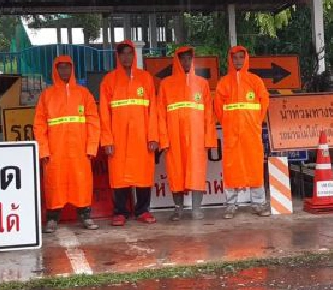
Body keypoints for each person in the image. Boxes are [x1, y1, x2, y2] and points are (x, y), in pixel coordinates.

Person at [34, 55, 101, 233]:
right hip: (55, 150)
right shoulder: (46, 95)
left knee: (82, 182)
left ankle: (86, 215)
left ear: (72, 69)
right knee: (55, 183)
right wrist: (43, 150)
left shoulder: (84, 94)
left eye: (67, 67)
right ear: (55, 70)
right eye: (60, 67)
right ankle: (52, 218)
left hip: (80, 149)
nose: (64, 71)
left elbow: (94, 122)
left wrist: (91, 146)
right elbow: (39, 125)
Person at [100, 41, 159, 226]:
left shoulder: (145, 78)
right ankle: (120, 212)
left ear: (134, 55)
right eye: (123, 54)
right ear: (118, 56)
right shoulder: (109, 80)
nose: (126, 57)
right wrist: (107, 139)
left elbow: (153, 110)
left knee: (143, 173)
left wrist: (153, 136)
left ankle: (143, 210)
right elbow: (104, 113)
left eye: (129, 53)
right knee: (119, 174)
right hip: (118, 138)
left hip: (141, 136)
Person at [158, 46, 215, 220]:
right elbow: (160, 114)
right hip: (174, 138)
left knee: (197, 172)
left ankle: (197, 209)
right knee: (176, 172)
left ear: (193, 59)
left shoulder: (202, 83)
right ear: (177, 60)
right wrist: (164, 139)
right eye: (182, 58)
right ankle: (178, 209)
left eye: (189, 58)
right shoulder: (166, 84)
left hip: (197, 139)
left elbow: (209, 115)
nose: (186, 62)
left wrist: (209, 139)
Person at [214, 46, 270, 219]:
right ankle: (231, 204)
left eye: (240, 57)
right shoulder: (224, 82)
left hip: (251, 133)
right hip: (232, 133)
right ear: (230, 60)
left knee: (254, 166)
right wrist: (227, 123)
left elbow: (264, 101)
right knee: (231, 168)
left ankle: (258, 204)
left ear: (246, 59)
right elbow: (218, 106)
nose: (238, 61)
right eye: (235, 58)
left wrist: (255, 122)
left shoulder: (255, 80)